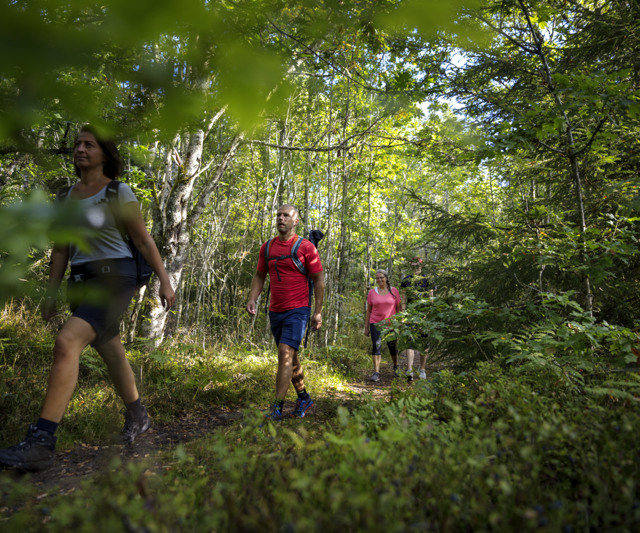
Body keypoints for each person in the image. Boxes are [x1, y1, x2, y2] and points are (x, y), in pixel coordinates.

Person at [0, 125, 175, 471]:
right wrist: (51, 295)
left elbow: (143, 241)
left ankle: (42, 442)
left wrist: (165, 282)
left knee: (67, 343)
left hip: (116, 280)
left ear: (104, 154)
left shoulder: (118, 192)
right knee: (111, 351)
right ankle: (138, 416)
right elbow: (61, 250)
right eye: (78, 144)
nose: (80, 149)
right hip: (81, 283)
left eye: (89, 145)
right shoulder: (65, 198)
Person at [246, 204, 324, 420]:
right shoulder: (267, 248)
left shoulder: (306, 247)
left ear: (295, 221)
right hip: (275, 311)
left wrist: (317, 312)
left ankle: (277, 407)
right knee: (291, 358)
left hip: (298, 310)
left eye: (286, 215)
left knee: (284, 354)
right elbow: (260, 275)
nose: (281, 219)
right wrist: (253, 298)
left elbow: (318, 281)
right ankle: (304, 397)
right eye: (279, 215)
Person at [364, 269, 401, 382]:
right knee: (376, 345)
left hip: (391, 324)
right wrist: (366, 327)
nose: (379, 280)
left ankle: (395, 366)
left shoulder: (394, 291)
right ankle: (376, 372)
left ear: (386, 278)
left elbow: (398, 309)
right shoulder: (372, 292)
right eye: (377, 278)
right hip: (375, 323)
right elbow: (369, 311)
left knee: (392, 347)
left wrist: (399, 324)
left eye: (381, 277)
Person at [400, 257, 432, 380]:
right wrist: (403, 315)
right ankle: (409, 370)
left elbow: (431, 298)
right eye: (413, 266)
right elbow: (403, 298)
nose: (415, 268)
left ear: (421, 266)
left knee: (424, 342)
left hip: (424, 315)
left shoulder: (427, 280)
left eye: (417, 266)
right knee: (410, 342)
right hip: (410, 314)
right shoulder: (406, 280)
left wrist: (427, 314)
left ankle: (422, 369)